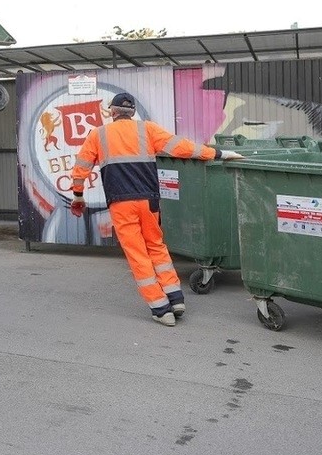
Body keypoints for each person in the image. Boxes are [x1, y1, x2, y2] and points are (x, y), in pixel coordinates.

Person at [69, 92, 242, 327]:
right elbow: (183, 148)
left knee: (138, 254)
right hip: (149, 202)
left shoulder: (98, 135)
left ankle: (161, 308)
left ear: (112, 112)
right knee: (156, 247)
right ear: (132, 113)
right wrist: (219, 153)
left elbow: (81, 169)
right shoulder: (147, 130)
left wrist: (78, 196)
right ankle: (175, 298)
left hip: (121, 204)